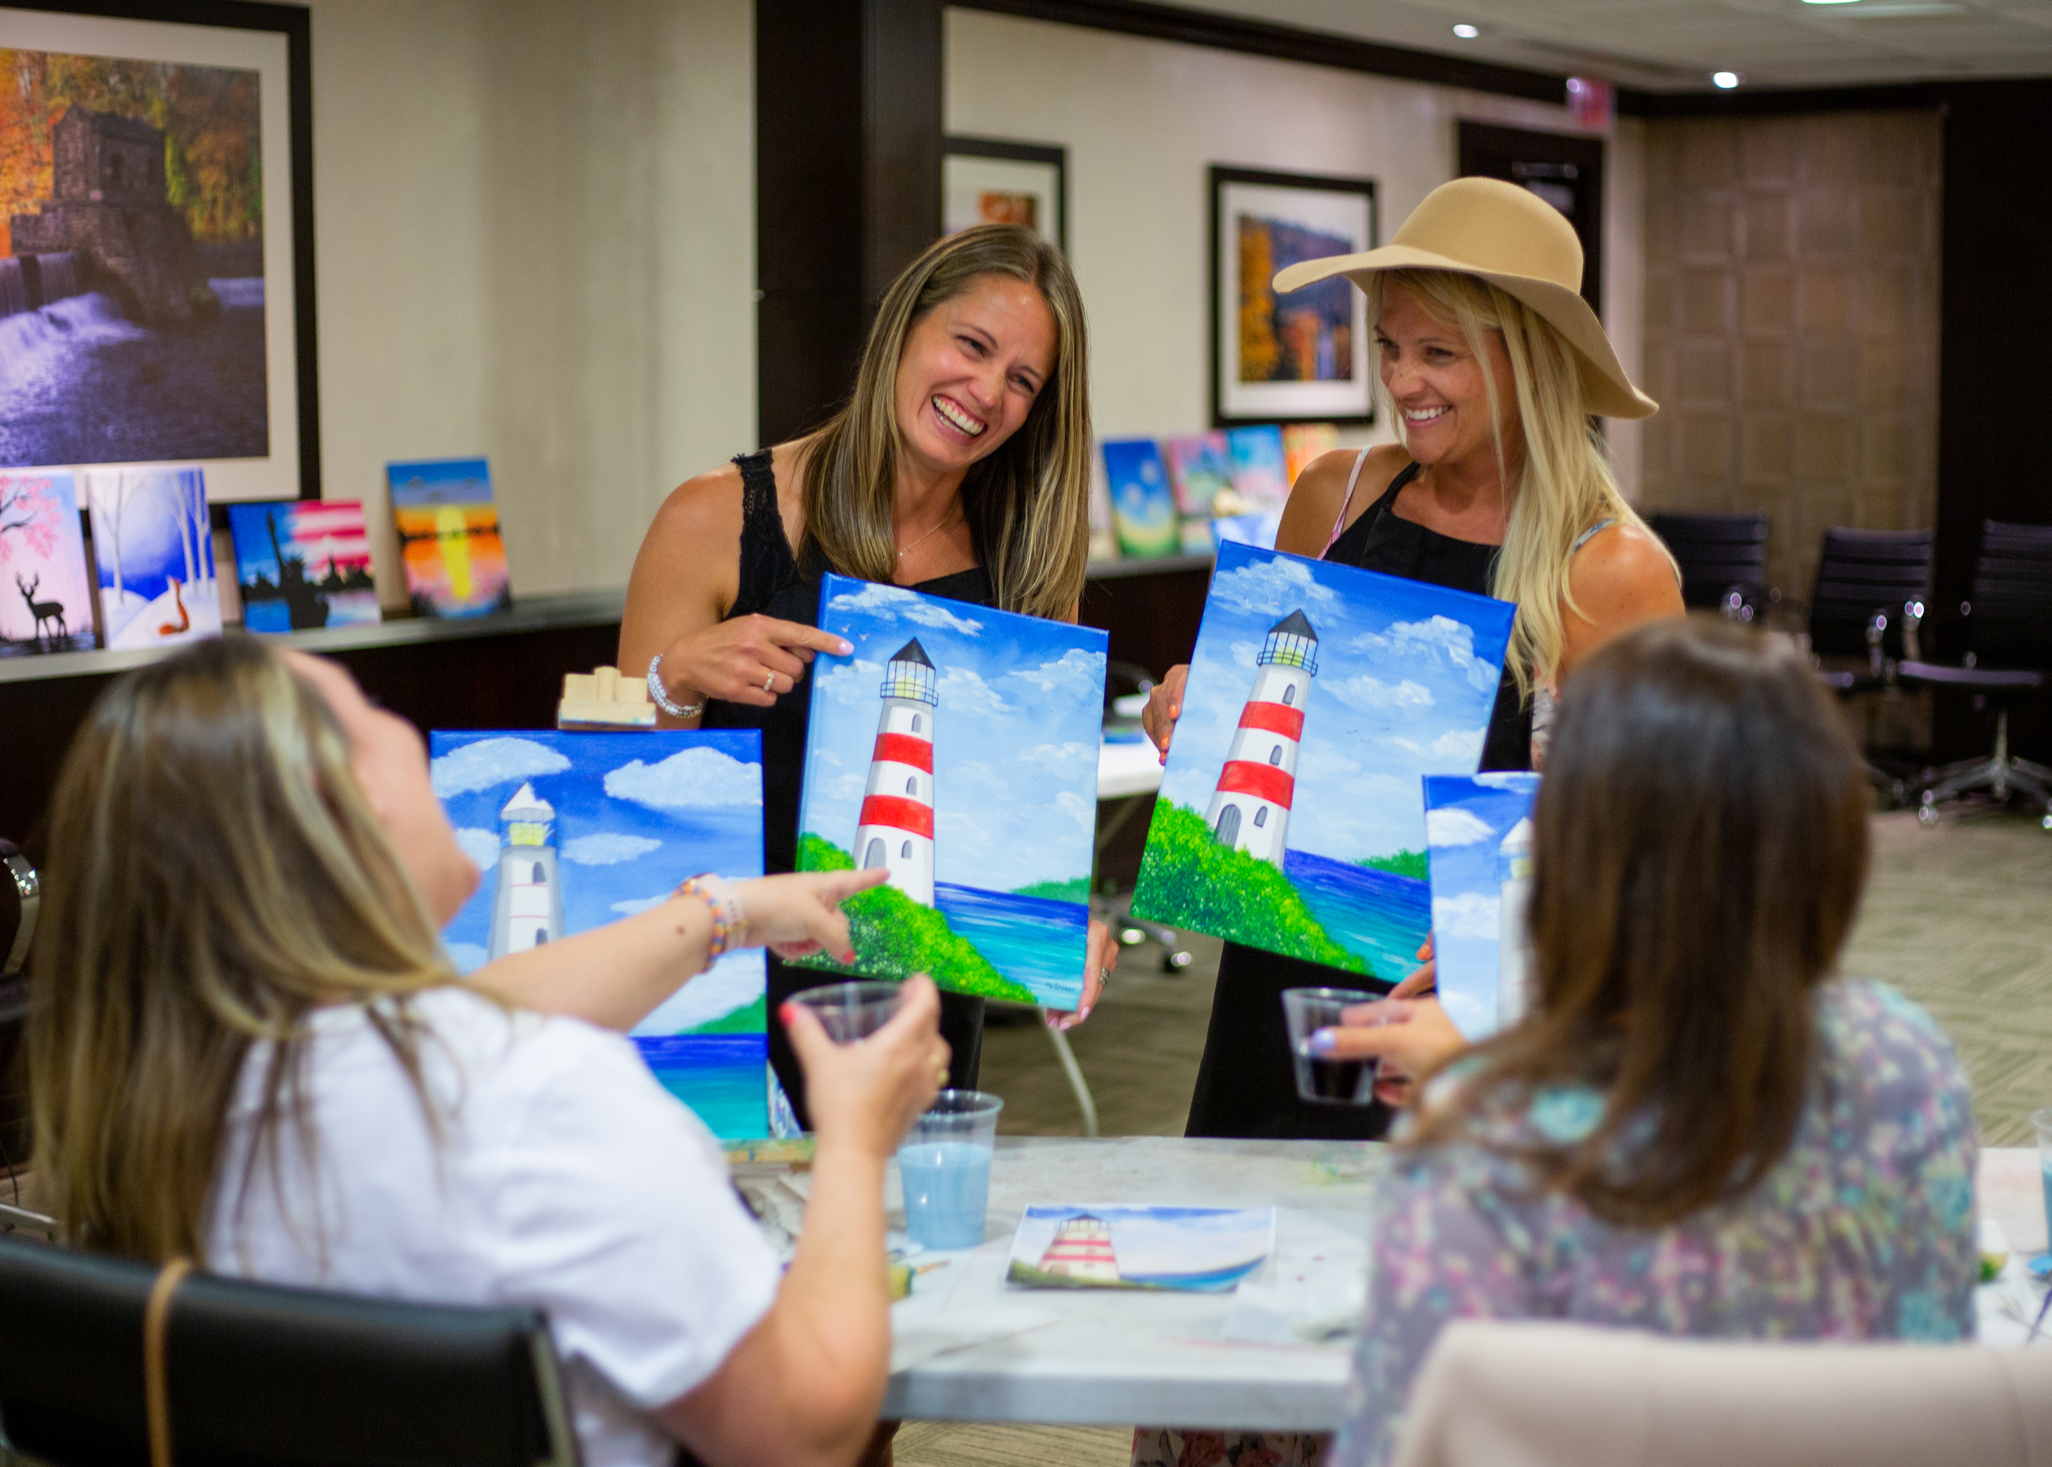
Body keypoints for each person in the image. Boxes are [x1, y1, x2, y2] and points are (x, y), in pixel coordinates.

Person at [29, 638, 951, 1467]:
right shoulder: (544, 1098)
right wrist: (853, 1140)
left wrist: (727, 911)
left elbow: (466, 1012)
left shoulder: (170, 1111)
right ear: (347, 801)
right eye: (371, 710)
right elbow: (802, 1434)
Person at [1321, 618, 1978, 1467]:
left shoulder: (1481, 1152)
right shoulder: (1907, 1066)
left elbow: (1396, 1445)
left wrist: (1481, 1083)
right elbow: (1935, 1396)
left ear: (1569, 849)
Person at [1142, 177, 1685, 1141]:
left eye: (1439, 353)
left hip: (1467, 1024)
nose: (1400, 382)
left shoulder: (1611, 570)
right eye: (1389, 346)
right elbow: (1261, 712)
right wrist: (1196, 701)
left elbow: (1651, 856)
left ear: (1531, 360)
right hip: (1277, 988)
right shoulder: (1333, 494)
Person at [621, 224, 1115, 1120]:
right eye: (971, 345)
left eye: (1022, 380)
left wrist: (1065, 918)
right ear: (904, 326)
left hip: (920, 1014)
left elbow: (1018, 819)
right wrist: (676, 677)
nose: (986, 392)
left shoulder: (1026, 568)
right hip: (726, 1003)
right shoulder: (717, 517)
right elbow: (625, 803)